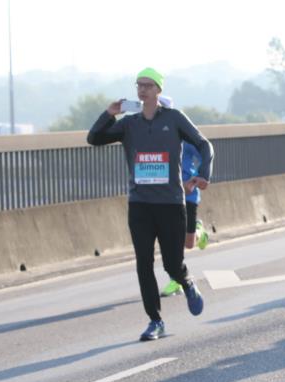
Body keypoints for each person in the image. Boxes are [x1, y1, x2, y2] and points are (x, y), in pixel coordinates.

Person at [87, 67, 214, 341]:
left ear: (158, 90)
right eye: (139, 85)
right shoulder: (128, 124)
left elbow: (204, 145)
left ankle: (187, 282)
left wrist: (203, 174)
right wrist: (109, 114)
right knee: (143, 263)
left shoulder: (175, 119)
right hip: (140, 204)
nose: (142, 90)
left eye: (147, 85)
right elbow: (94, 138)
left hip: (170, 203)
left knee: (172, 264)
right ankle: (155, 321)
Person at [161, 141, 212, 297]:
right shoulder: (157, 137)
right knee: (170, 238)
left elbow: (205, 154)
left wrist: (197, 177)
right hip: (167, 195)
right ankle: (176, 280)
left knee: (189, 243)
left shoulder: (186, 138)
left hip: (188, 194)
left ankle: (199, 230)